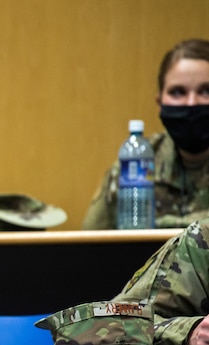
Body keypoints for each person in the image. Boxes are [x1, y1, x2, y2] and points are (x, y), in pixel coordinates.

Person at [82, 38, 209, 229]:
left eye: (206, 91)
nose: (191, 103)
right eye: (177, 92)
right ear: (160, 102)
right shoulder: (133, 165)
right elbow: (88, 249)